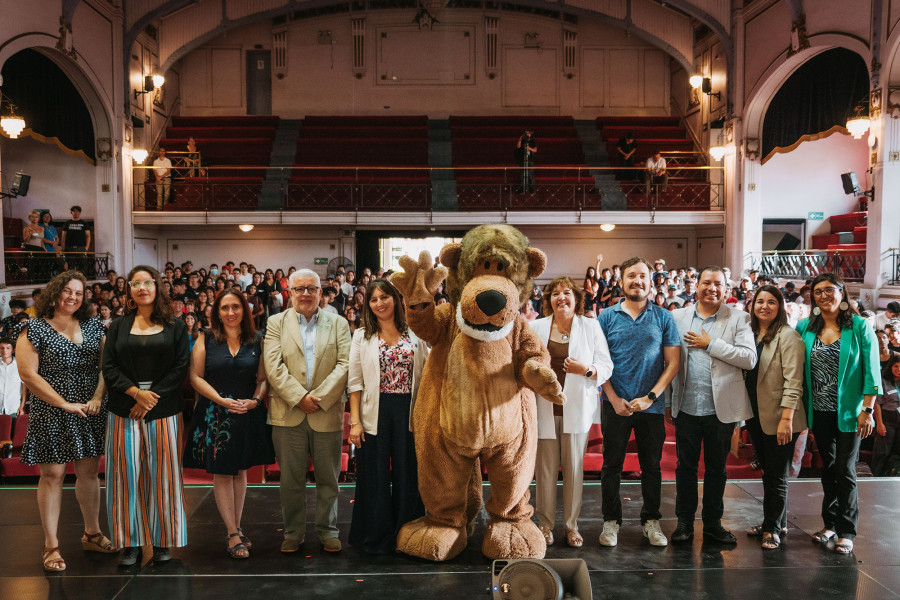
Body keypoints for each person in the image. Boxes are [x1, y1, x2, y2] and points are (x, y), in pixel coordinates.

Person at [16, 271, 114, 571]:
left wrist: (97, 397)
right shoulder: (33, 328)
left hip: (90, 407)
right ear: (56, 293)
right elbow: (28, 375)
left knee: (88, 473)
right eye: (67, 291)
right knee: (53, 476)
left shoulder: (94, 325)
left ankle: (92, 533)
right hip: (52, 409)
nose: (73, 297)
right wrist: (63, 403)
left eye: (79, 293)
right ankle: (50, 546)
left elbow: (106, 366)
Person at [102, 265, 190, 566]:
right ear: (129, 291)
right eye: (135, 283)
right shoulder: (118, 326)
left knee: (163, 476)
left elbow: (181, 367)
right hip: (124, 406)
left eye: (147, 282)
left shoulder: (176, 326)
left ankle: (163, 541)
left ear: (158, 287)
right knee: (124, 475)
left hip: (163, 407)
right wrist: (135, 393)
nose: (142, 288)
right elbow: (109, 366)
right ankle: (131, 543)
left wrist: (150, 397)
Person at [263, 268, 351, 554]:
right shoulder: (276, 323)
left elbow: (346, 364)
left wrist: (319, 398)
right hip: (288, 413)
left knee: (328, 479)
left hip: (326, 412)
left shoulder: (338, 324)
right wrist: (298, 397)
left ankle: (328, 530)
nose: (305, 294)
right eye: (299, 289)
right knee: (290, 480)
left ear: (320, 293)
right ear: (289, 292)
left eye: (311, 288)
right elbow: (273, 366)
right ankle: (293, 532)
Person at [668, 266, 757, 544]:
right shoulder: (678, 317)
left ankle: (712, 524)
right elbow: (668, 360)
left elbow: (749, 358)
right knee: (685, 468)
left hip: (721, 409)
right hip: (686, 406)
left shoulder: (739, 318)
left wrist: (711, 344)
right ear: (696, 285)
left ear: (726, 289)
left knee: (717, 469)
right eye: (706, 282)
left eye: (718, 284)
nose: (712, 288)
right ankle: (683, 523)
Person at [183, 290, 275, 559]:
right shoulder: (207, 338)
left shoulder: (256, 339)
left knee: (241, 471)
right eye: (225, 307)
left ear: (244, 311)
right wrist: (222, 401)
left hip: (247, 411)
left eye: (236, 307)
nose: (231, 312)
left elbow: (263, 378)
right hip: (216, 413)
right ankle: (232, 532)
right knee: (223, 472)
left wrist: (256, 401)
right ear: (217, 312)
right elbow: (195, 377)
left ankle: (237, 525)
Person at [597, 257, 680, 548]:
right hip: (615, 404)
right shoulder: (606, 317)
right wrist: (614, 399)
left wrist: (650, 398)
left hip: (651, 407)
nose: (637, 281)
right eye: (631, 275)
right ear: (621, 282)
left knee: (652, 467)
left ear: (651, 280)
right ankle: (611, 521)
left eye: (642, 275)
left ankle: (651, 520)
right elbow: (599, 362)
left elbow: (673, 363)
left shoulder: (663, 317)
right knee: (611, 467)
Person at [796, 273, 879, 555]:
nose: (823, 295)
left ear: (842, 293)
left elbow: (872, 371)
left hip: (851, 412)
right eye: (817, 292)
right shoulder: (805, 327)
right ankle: (829, 523)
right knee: (827, 468)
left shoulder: (859, 326)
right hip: (818, 410)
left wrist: (867, 409)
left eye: (829, 290)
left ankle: (847, 530)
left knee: (845, 469)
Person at [529, 276, 613, 548]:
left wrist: (585, 370)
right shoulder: (536, 327)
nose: (561, 297)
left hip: (576, 409)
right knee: (545, 472)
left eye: (567, 293)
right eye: (555, 293)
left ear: (577, 300)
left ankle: (571, 526)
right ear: (548, 300)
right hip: (544, 408)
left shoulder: (590, 327)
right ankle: (545, 525)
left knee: (575, 471)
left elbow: (606, 365)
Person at [347, 279, 427, 553]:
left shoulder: (415, 333)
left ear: (396, 298)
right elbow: (354, 383)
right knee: (374, 476)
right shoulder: (362, 336)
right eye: (373, 299)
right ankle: (375, 537)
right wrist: (354, 422)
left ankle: (408, 536)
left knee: (409, 475)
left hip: (409, 412)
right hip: (374, 412)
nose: (379, 303)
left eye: (385, 297)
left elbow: (427, 376)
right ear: (368, 305)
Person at [742, 285, 807, 550]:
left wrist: (786, 419)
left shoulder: (788, 336)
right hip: (755, 416)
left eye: (771, 302)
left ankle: (771, 529)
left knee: (778, 475)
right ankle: (777, 522)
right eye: (760, 301)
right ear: (752, 305)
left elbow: (794, 381)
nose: (765, 306)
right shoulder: (750, 334)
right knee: (769, 473)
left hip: (781, 417)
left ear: (780, 306)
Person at [873, 356, 900, 476]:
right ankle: (876, 478)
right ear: (891, 367)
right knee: (882, 452)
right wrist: (879, 423)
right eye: (896, 366)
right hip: (887, 420)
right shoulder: (883, 380)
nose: (898, 369)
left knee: (897, 453)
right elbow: (877, 403)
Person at [0, 338, 23, 418]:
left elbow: (24, 388)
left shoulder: (20, 365)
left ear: (13, 350)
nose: (4, 351)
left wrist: (22, 406)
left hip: (13, 408)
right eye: (2, 348)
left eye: (8, 348)